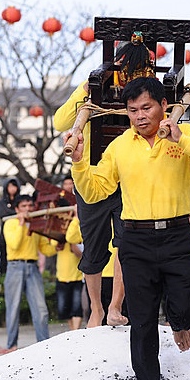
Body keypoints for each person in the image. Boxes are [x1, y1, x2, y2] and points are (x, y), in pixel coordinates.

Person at [68, 76, 190, 380]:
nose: (140, 116)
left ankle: (179, 321)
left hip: (177, 235)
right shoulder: (120, 146)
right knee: (140, 320)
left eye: (147, 108)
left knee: (189, 304)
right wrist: (80, 162)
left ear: (162, 107)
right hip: (135, 239)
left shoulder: (183, 136)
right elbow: (95, 191)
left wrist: (182, 138)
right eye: (133, 110)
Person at [54, 81, 127, 328]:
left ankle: (115, 306)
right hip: (89, 179)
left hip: (125, 179)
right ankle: (97, 308)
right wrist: (85, 90)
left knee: (125, 244)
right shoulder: (92, 91)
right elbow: (59, 122)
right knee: (93, 247)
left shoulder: (140, 93)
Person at [3, 194, 57, 351]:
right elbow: (14, 244)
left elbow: (45, 249)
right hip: (15, 267)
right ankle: (11, 346)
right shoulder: (10, 223)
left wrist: (56, 245)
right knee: (13, 308)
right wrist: (21, 224)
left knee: (41, 310)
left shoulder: (36, 224)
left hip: (32, 268)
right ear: (16, 209)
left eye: (30, 206)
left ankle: (44, 345)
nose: (28, 209)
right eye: (24, 207)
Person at [53, 213, 84, 331]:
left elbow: (78, 251)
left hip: (77, 275)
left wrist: (75, 219)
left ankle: (75, 330)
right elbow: (52, 246)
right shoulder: (57, 230)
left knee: (77, 307)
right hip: (62, 275)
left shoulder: (78, 227)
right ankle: (72, 331)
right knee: (64, 308)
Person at [0, 176, 21, 275]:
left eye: (14, 186)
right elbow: (2, 214)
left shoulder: (20, 200)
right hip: (5, 233)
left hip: (19, 231)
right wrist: (16, 215)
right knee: (4, 257)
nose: (12, 189)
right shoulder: (2, 202)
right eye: (10, 186)